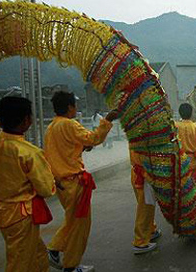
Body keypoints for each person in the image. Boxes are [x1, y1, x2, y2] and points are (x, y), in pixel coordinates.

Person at [0, 96, 56, 272]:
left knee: (37, 253)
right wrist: (52, 181)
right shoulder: (30, 152)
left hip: (0, 209)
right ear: (27, 120)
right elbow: (45, 189)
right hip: (21, 215)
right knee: (20, 261)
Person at [45, 91, 118, 272]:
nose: (76, 110)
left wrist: (82, 147)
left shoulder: (51, 127)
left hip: (61, 182)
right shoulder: (70, 124)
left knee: (72, 221)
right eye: (75, 106)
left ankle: (55, 250)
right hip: (74, 182)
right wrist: (107, 120)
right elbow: (94, 138)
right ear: (70, 107)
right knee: (80, 225)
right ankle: (69, 264)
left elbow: (59, 152)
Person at [129, 143, 162, 255]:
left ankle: (151, 231)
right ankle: (141, 242)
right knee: (145, 209)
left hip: (137, 174)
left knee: (146, 206)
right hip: (144, 175)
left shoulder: (134, 133)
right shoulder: (143, 134)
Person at [175, 103, 196, 183]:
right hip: (193, 162)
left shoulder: (175, 126)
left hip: (179, 162)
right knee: (194, 185)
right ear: (191, 113)